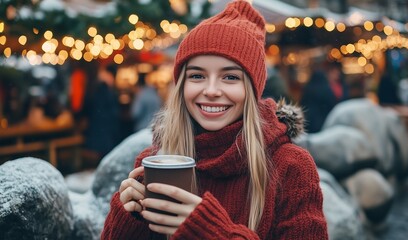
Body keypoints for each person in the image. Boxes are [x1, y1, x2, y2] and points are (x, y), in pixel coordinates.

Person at [101, 1, 328, 239]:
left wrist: (210, 231)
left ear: (252, 89)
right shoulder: (156, 160)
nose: (211, 90)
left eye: (230, 77)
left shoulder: (290, 167)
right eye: (197, 75)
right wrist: (126, 220)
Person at [81, 63, 121, 159]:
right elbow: (112, 110)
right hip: (104, 128)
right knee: (104, 152)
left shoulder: (94, 88)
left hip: (99, 127)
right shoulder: (104, 89)